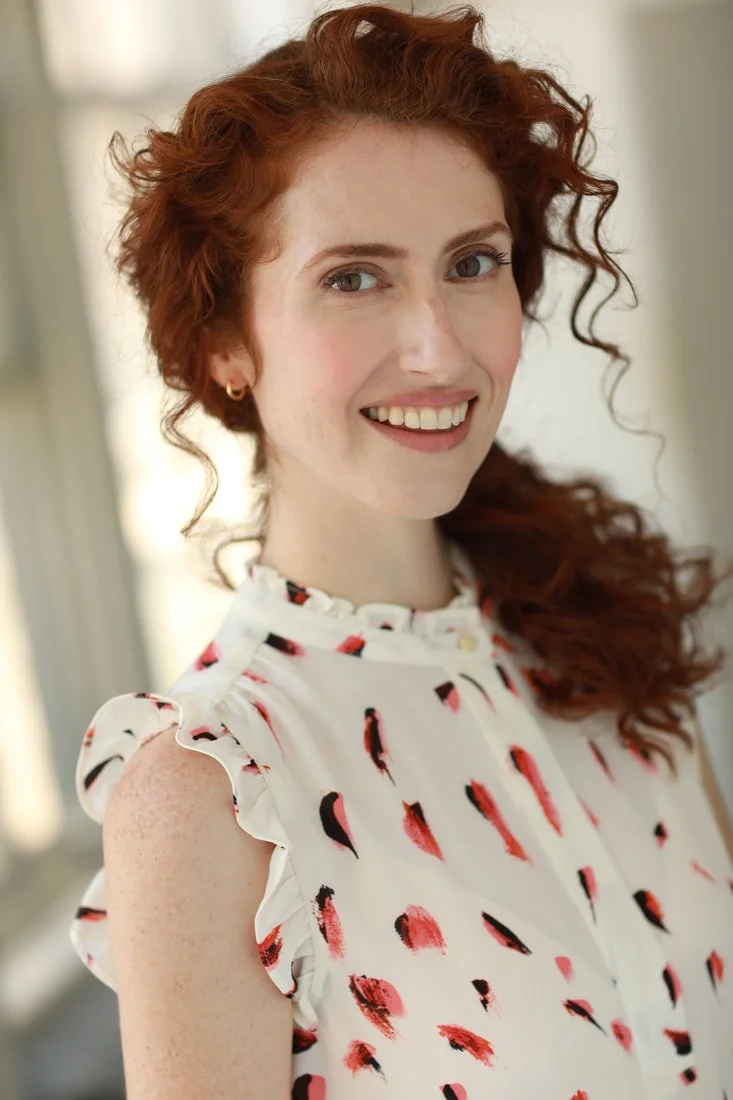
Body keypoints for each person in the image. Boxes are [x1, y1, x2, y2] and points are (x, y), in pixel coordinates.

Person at [69, 4, 733, 1097]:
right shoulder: (210, 790)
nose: (438, 346)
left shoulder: (602, 630)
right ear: (224, 339)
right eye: (354, 277)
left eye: (472, 263)